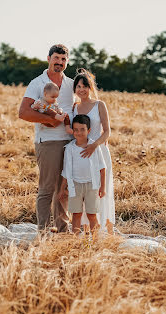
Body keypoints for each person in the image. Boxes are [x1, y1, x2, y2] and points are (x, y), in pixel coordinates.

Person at [19, 44, 75, 232]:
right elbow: (24, 112)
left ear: (66, 62)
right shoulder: (37, 83)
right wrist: (50, 121)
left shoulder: (71, 84)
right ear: (49, 58)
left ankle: (62, 229)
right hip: (48, 142)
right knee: (47, 188)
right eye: (56, 58)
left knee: (64, 189)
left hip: (70, 142)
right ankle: (42, 231)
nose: (59, 62)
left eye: (63, 59)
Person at [72, 68, 115, 234]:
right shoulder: (74, 107)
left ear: (90, 87)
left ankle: (101, 230)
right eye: (78, 87)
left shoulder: (99, 105)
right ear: (75, 89)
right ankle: (83, 230)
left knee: (98, 191)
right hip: (81, 156)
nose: (81, 89)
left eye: (85, 86)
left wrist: (94, 145)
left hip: (99, 152)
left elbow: (107, 131)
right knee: (83, 191)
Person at [58, 115, 106, 235]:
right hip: (75, 185)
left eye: (82, 129)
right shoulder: (69, 149)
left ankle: (95, 241)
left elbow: (102, 168)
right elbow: (65, 171)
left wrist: (103, 187)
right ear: (73, 131)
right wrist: (62, 188)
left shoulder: (94, 147)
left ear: (88, 130)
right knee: (76, 214)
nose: (79, 133)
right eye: (76, 130)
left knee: (91, 214)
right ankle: (75, 240)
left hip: (92, 185)